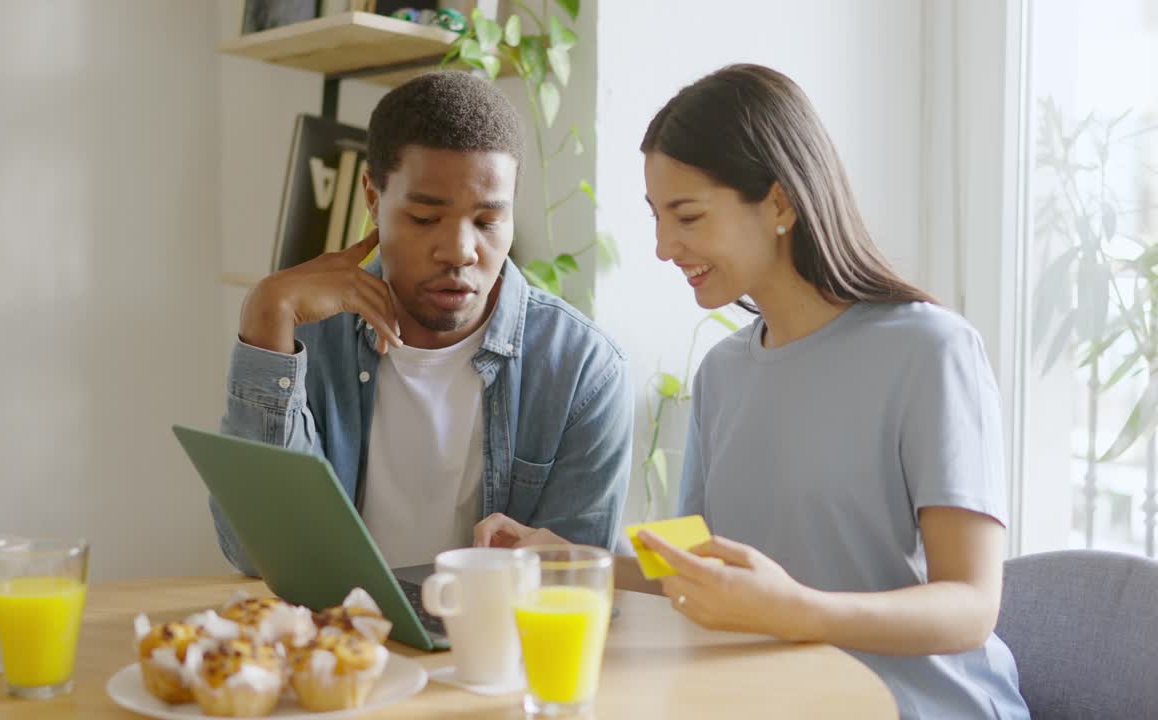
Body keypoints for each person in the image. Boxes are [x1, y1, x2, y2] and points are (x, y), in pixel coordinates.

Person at [481, 64, 1029, 719]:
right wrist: (574, 557)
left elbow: (970, 606)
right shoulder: (724, 371)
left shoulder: (930, 351)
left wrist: (797, 610)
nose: (662, 247)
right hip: (778, 698)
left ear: (779, 202)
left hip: (921, 705)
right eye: (656, 217)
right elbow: (700, 562)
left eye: (686, 215)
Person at [214, 70, 631, 574]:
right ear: (372, 197)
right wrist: (265, 313)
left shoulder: (583, 370)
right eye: (425, 218)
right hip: (343, 643)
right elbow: (259, 555)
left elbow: (575, 586)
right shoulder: (303, 337)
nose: (458, 251)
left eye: (487, 221)